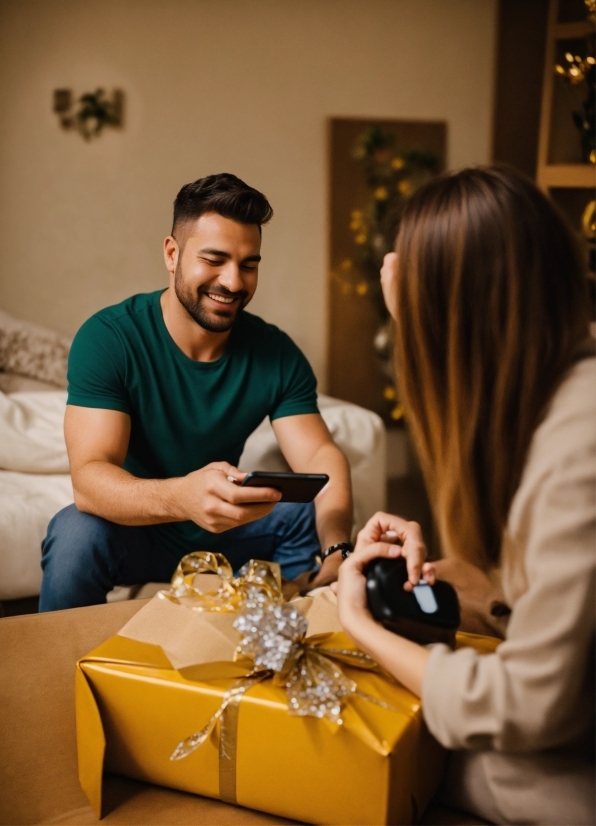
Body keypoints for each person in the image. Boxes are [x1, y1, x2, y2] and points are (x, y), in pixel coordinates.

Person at [333, 166, 595, 825]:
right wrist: (483, 591)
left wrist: (362, 628)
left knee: (447, 758)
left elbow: (532, 707)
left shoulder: (578, 444)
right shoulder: (567, 382)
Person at [40, 173, 353, 612]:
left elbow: (320, 456)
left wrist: (339, 549)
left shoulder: (277, 353)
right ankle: (56, 675)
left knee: (306, 515)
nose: (233, 282)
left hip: (229, 533)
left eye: (249, 264)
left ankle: (280, 645)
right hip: (137, 527)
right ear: (172, 254)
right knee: (74, 532)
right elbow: (90, 480)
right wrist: (183, 497)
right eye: (214, 259)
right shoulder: (109, 338)